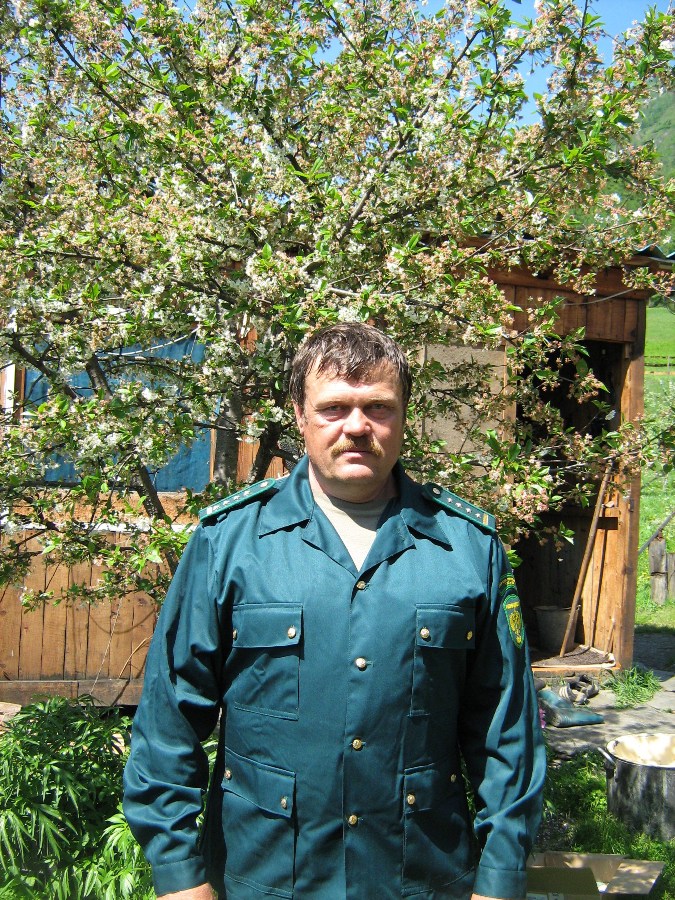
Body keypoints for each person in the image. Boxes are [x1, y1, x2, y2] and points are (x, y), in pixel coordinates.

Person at [123, 322, 545, 900]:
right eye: (334, 408)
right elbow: (169, 718)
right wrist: (178, 873)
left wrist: (500, 877)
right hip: (266, 880)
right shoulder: (229, 543)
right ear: (300, 415)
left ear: (404, 416)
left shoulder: (469, 550)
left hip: (420, 881)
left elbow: (507, 730)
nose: (357, 426)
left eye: (378, 407)